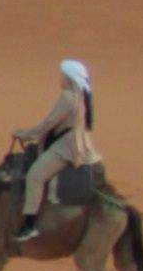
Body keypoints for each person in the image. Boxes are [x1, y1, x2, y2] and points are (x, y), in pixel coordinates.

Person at [11, 60, 100, 228]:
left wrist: (26, 134)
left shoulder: (68, 97)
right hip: (76, 143)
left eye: (62, 75)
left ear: (69, 77)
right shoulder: (80, 95)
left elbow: (49, 122)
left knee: (35, 175)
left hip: (66, 147)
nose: (60, 78)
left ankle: (29, 225)